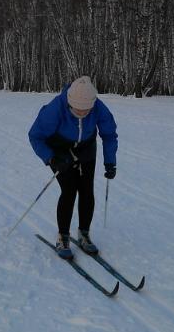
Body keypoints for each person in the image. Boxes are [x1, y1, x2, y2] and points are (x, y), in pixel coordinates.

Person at [28, 76, 118, 260]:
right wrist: (51, 158)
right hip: (60, 150)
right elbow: (35, 136)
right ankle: (63, 237)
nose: (82, 113)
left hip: (86, 148)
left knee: (86, 190)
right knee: (69, 190)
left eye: (86, 111)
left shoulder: (98, 107)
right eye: (78, 110)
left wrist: (110, 161)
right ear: (70, 103)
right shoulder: (55, 109)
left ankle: (84, 233)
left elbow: (109, 134)